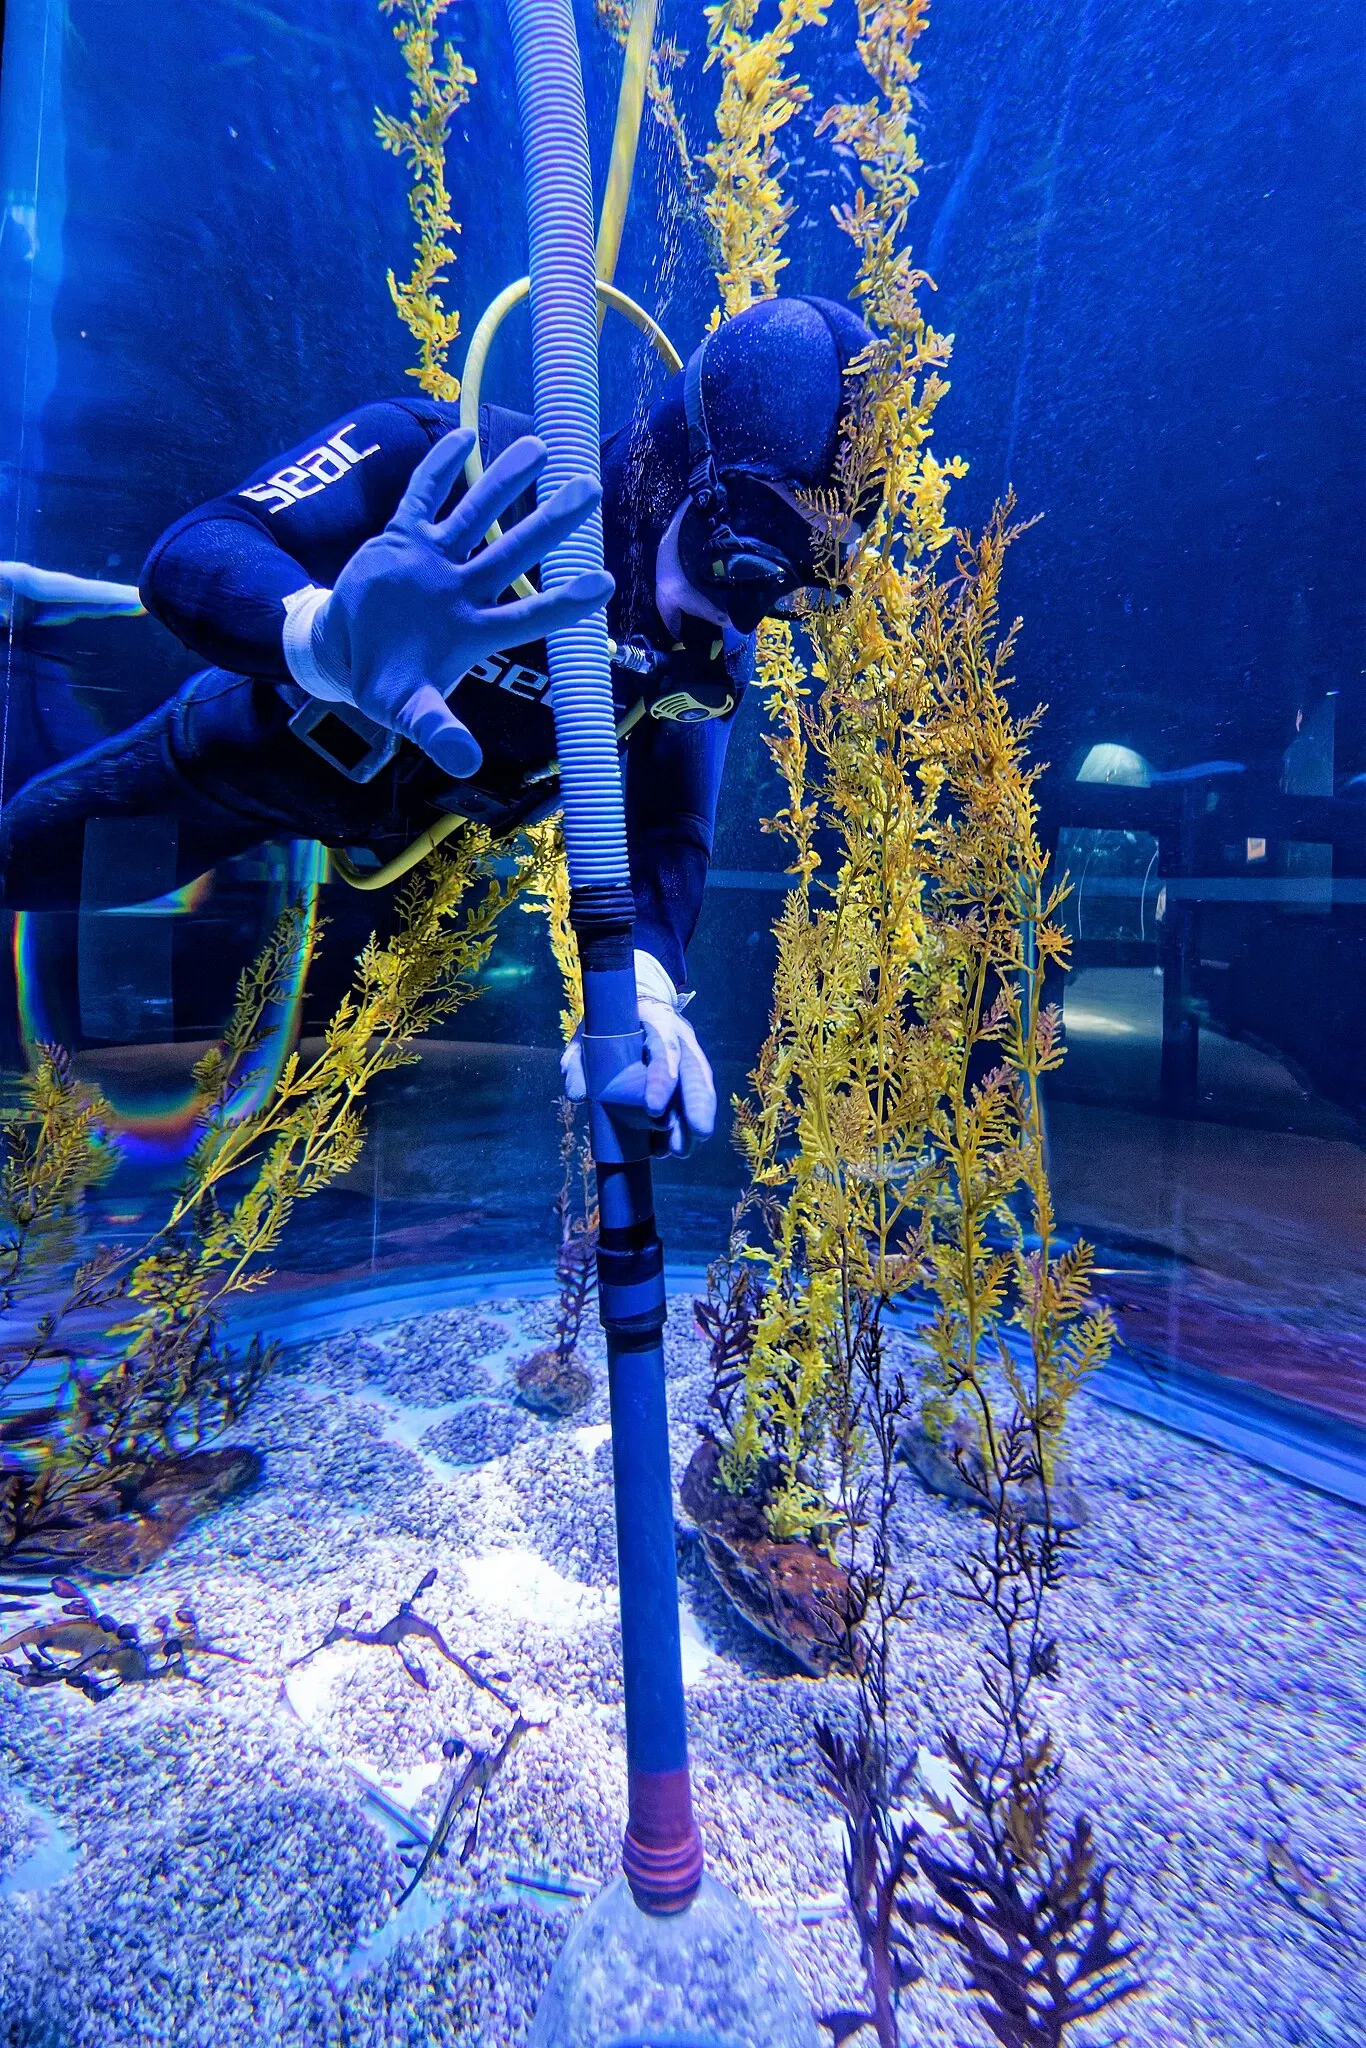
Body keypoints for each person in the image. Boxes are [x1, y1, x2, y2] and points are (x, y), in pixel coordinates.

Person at [0, 295, 871, 1151]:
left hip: (405, 864)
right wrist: (325, 632)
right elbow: (196, 549)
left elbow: (668, 834)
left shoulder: (704, 656)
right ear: (676, 466)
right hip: (239, 768)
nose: (747, 618)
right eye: (746, 564)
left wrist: (642, 997)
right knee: (25, 858)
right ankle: (46, 628)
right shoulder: (442, 464)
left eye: (799, 591)